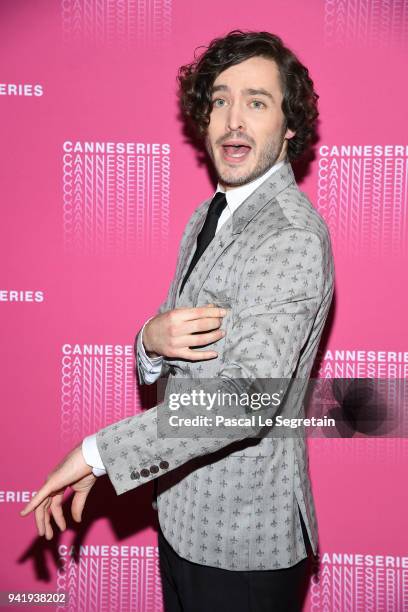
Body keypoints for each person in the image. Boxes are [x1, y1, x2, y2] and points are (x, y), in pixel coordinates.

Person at [21, 30, 335, 611]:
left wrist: (99, 453)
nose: (233, 120)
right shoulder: (210, 212)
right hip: (182, 514)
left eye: (257, 102)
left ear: (290, 126)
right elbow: (175, 346)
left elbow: (248, 399)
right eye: (220, 100)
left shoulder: (290, 234)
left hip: (245, 545)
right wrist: (149, 339)